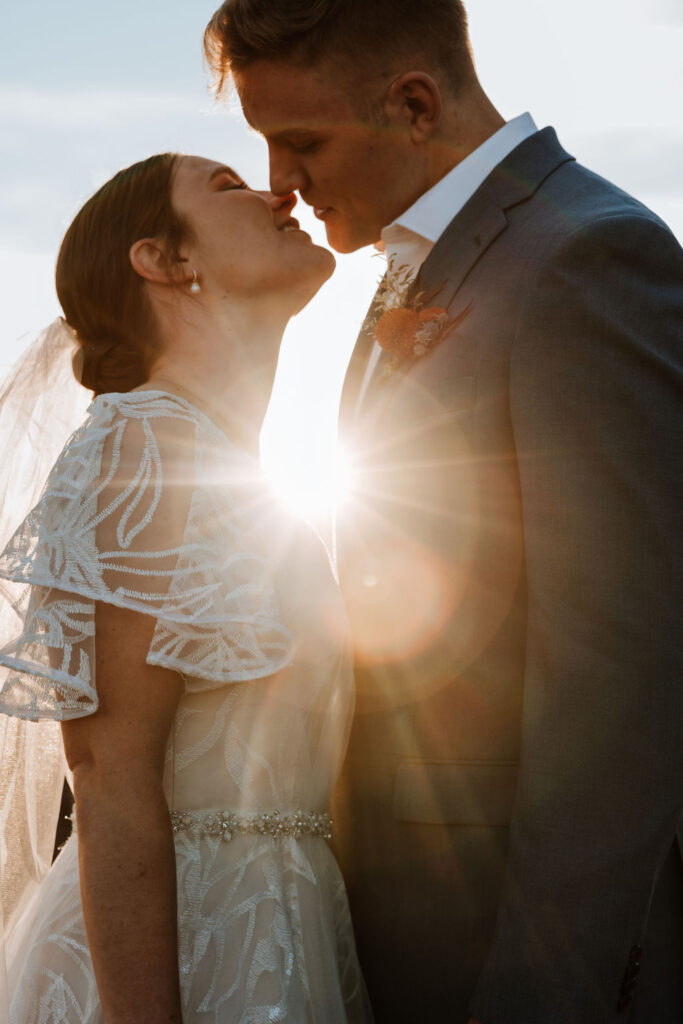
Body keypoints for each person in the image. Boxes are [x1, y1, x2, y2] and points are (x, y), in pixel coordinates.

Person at [203, 2, 683, 1022]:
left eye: (300, 142)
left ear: (411, 104)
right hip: (401, 941)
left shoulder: (584, 259)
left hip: (513, 957)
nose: (280, 183)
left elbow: (620, 676)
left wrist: (538, 991)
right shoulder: (424, 266)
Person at [0, 152, 374, 1023]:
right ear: (166, 263)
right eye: (229, 187)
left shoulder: (234, 465)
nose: (278, 190)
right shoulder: (140, 449)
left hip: (282, 930)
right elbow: (107, 773)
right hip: (183, 954)